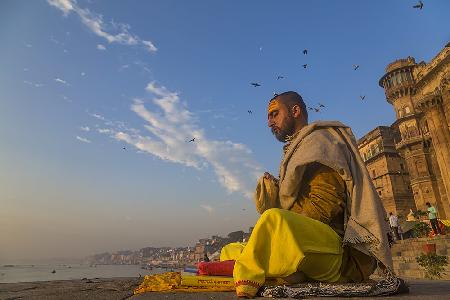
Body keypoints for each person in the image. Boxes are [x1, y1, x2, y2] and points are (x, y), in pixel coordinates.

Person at [220, 91, 393, 298]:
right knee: (229, 250)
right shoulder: (297, 150)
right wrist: (275, 192)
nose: (269, 122)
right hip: (305, 247)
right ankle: (287, 272)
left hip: (338, 255)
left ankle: (255, 279)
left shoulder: (321, 142)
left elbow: (323, 209)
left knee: (273, 219)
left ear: (295, 111)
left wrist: (279, 210)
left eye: (274, 114)